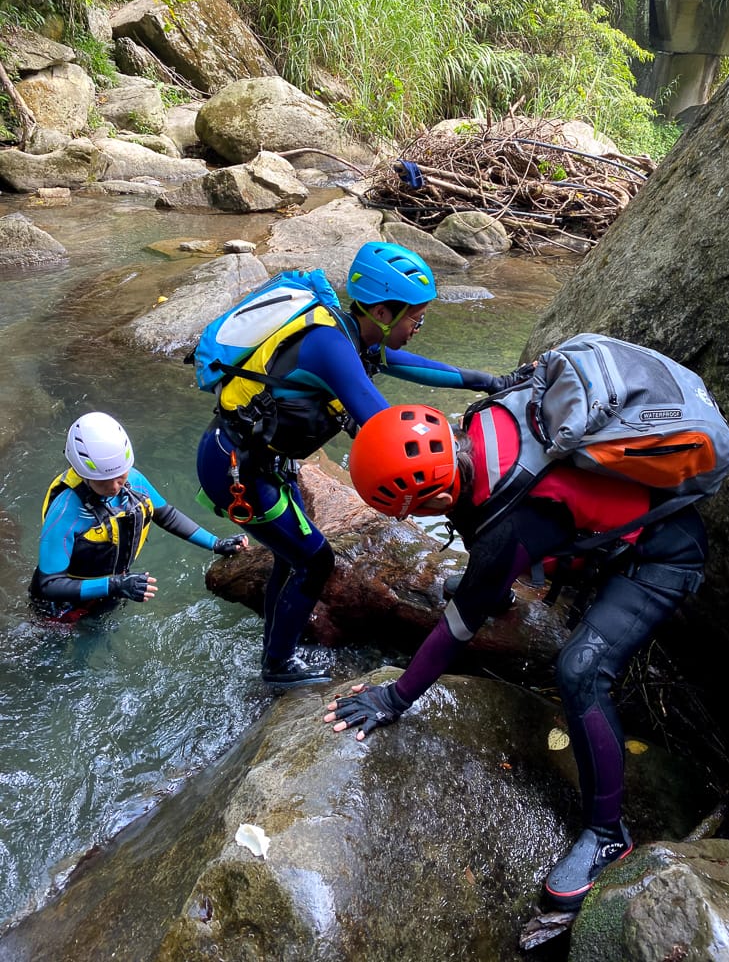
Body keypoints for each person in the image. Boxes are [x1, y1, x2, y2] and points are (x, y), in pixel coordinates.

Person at [324, 402, 708, 911]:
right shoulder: (481, 422)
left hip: (665, 554)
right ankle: (494, 583)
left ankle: (609, 835)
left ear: (435, 493)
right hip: (618, 526)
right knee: (495, 552)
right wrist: (490, 578)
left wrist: (393, 697)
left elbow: (457, 628)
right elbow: (487, 511)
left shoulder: (511, 523)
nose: (418, 516)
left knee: (579, 671)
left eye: (418, 508)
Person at [196, 241, 534, 687]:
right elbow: (387, 430)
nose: (419, 324)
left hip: (263, 463)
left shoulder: (351, 336)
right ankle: (277, 666)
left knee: (291, 556)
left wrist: (495, 382)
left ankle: (276, 644)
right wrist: (463, 463)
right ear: (382, 311)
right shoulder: (329, 346)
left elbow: (412, 365)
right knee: (315, 562)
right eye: (415, 315)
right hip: (238, 471)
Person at [30, 411, 248, 623]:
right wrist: (115, 585)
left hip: (116, 588)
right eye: (104, 481)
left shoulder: (134, 481)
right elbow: (48, 585)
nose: (116, 486)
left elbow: (167, 516)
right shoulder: (65, 511)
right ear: (82, 474)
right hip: (64, 604)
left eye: (121, 476)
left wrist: (216, 543)